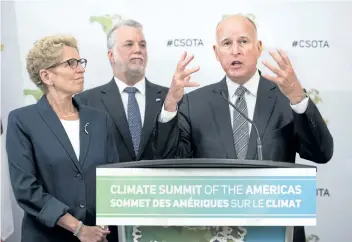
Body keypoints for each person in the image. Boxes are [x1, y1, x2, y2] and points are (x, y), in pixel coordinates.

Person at [153, 15, 333, 242]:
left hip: (276, 230)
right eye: (227, 43)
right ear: (216, 52)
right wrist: (170, 106)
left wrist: (299, 99)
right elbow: (167, 163)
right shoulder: (194, 103)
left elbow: (321, 153)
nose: (235, 50)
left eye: (244, 42)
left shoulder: (287, 97)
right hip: (215, 233)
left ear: (258, 48)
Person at [6, 35, 118, 242]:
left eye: (80, 62)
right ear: (47, 76)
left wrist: (101, 227)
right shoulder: (22, 121)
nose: (81, 68)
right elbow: (26, 189)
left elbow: (113, 178)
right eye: (71, 63)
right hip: (47, 237)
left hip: (99, 236)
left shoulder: (99, 119)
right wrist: (78, 229)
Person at [75, 19, 168, 163]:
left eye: (142, 45)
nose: (138, 49)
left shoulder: (170, 99)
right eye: (129, 44)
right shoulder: (86, 102)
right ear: (111, 55)